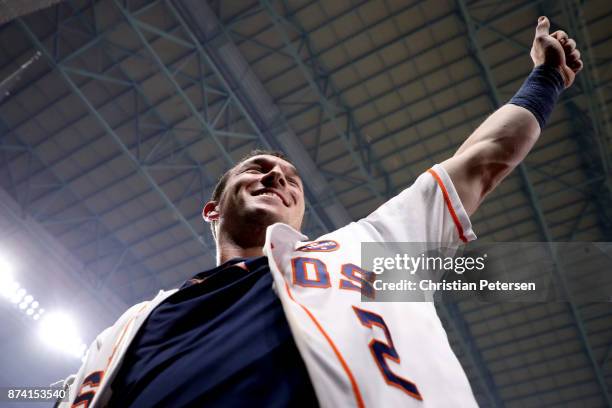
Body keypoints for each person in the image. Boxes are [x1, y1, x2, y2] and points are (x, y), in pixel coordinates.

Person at [56, 16, 582, 407]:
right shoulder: (125, 330)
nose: (277, 177)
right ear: (212, 208)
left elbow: (480, 163)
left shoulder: (369, 250)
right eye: (257, 168)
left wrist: (545, 80)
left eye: (291, 179)